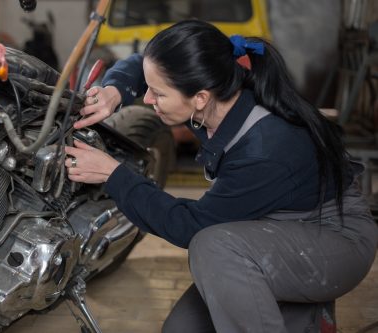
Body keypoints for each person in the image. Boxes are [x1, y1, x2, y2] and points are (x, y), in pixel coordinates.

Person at [64, 20, 378, 333]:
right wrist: (114, 90)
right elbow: (143, 65)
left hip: (333, 236)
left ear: (199, 97)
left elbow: (192, 226)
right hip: (270, 222)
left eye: (157, 94)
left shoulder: (265, 148)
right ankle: (298, 308)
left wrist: (113, 174)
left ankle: (306, 305)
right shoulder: (215, 94)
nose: (147, 99)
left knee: (212, 247)